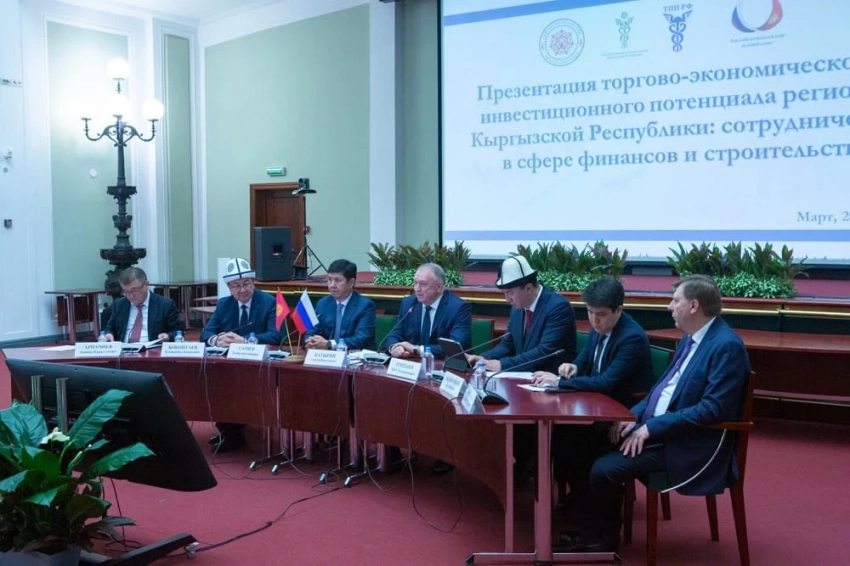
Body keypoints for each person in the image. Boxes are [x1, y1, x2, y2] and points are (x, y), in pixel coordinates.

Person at [568, 274, 750, 553]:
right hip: (665, 431)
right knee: (583, 440)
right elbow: (660, 390)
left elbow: (713, 409)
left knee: (604, 469)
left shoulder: (726, 346)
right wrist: (631, 417)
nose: (669, 306)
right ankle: (584, 524)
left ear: (694, 306)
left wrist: (651, 428)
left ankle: (601, 542)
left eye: (675, 300)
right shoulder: (691, 338)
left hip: (689, 443)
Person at [530, 277, 654, 519]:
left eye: (601, 314)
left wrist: (559, 382)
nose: (594, 320)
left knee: (574, 440)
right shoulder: (599, 329)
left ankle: (586, 510)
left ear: (619, 310)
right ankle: (576, 501)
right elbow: (585, 360)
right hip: (597, 408)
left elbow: (606, 382)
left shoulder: (631, 338)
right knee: (559, 435)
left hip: (624, 415)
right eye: (590, 312)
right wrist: (572, 367)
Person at [200, 258, 282, 452]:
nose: (242, 290)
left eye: (246, 284)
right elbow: (205, 334)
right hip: (229, 364)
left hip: (259, 363)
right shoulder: (224, 304)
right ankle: (227, 430)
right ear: (229, 287)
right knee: (215, 379)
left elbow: (276, 335)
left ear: (253, 283)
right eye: (236, 286)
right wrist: (217, 340)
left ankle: (232, 433)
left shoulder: (270, 302)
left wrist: (245, 341)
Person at [468, 255, 576, 373]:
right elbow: (508, 345)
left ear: (528, 288)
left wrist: (503, 365)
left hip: (549, 377)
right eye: (504, 293)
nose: (507, 300)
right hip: (523, 377)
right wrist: (483, 358)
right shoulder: (517, 308)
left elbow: (544, 351)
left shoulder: (558, 307)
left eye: (510, 293)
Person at [385, 263, 471, 359]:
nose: (417, 288)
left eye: (423, 284)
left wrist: (416, 349)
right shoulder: (409, 303)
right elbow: (394, 335)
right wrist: (395, 347)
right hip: (413, 363)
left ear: (439, 287)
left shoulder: (458, 307)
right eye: (415, 283)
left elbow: (455, 347)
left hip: (446, 364)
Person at [304, 259, 376, 351]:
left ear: (351, 283)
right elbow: (311, 331)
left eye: (338, 280)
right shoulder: (322, 304)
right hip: (326, 356)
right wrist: (310, 341)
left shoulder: (365, 306)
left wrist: (329, 344)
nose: (332, 285)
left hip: (354, 356)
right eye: (329, 280)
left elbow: (361, 339)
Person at [103, 267, 180, 343]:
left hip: (153, 349)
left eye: (134, 290)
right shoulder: (119, 305)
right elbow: (109, 328)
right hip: (124, 348)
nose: (131, 296)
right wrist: (109, 334)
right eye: (126, 291)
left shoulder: (165, 304)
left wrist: (168, 336)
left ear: (146, 284)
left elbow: (177, 332)